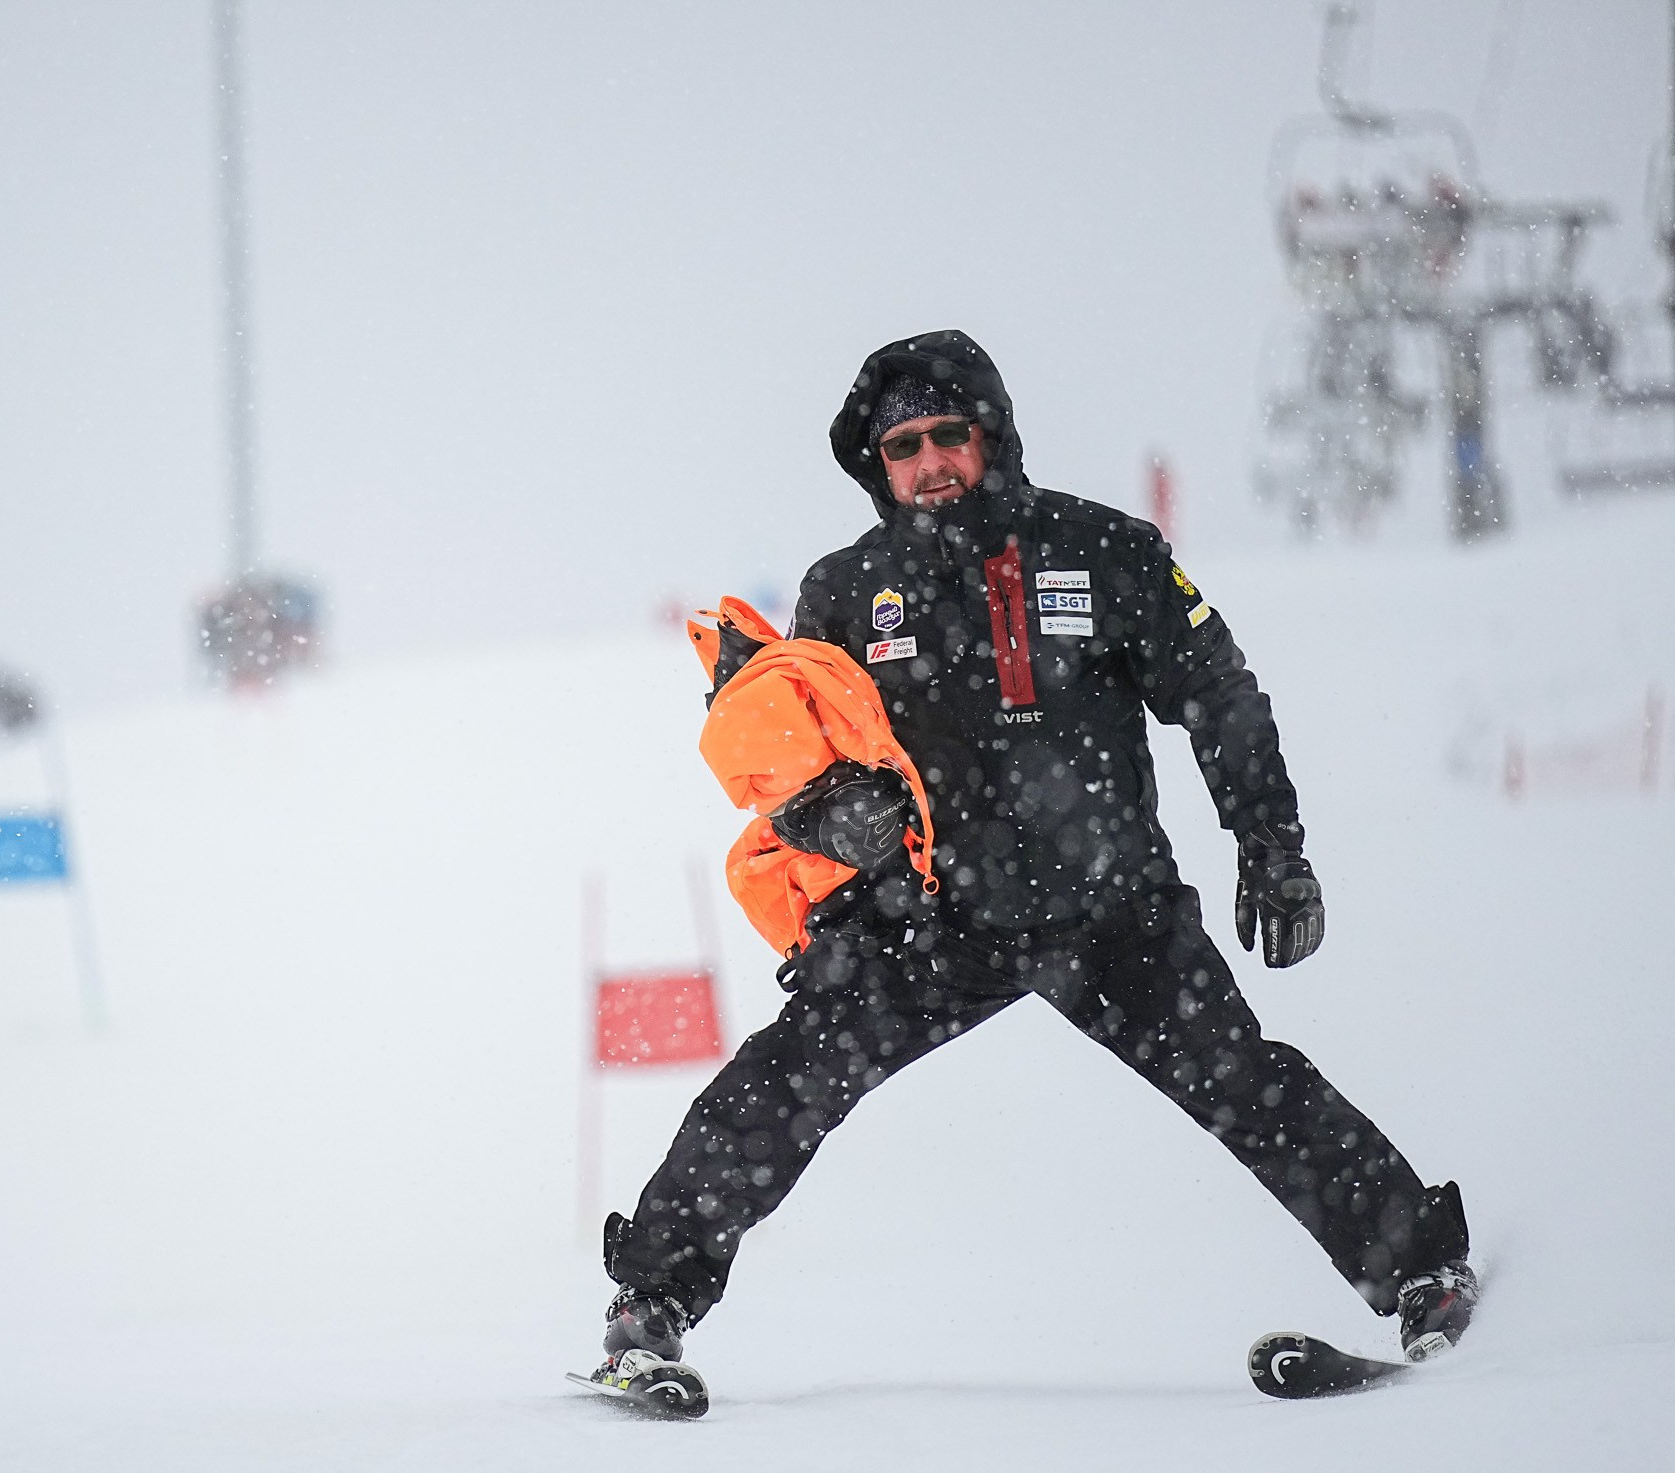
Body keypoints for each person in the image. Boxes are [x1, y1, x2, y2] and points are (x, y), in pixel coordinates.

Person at [593, 330, 1476, 1399]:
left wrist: (1271, 844)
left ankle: (1424, 1273)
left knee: (1245, 1081)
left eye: (946, 435)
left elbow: (1221, 700)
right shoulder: (845, 590)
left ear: (991, 434)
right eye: (902, 447)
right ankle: (651, 1300)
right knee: (783, 1082)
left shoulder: (1106, 552)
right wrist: (839, 823)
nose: (928, 463)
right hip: (927, 925)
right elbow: (797, 768)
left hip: (1110, 912)